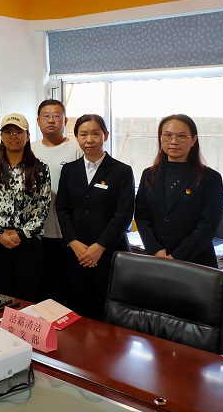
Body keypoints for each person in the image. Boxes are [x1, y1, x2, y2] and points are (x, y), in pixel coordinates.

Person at [56, 114, 135, 320]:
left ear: (105, 135)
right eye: (83, 134)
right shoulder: (69, 170)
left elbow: (124, 214)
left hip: (109, 253)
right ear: (76, 137)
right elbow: (62, 208)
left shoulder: (122, 171)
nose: (89, 140)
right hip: (77, 253)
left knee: (107, 310)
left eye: (95, 134)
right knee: (78, 307)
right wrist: (73, 242)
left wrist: (99, 247)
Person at [0, 113, 51, 301]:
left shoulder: (40, 168)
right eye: (8, 132)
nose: (13, 137)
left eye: (18, 132)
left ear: (27, 136)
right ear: (1, 136)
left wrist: (21, 234)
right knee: (1, 295)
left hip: (28, 242)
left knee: (27, 296)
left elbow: (42, 208)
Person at [134, 113, 223, 268]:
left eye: (181, 136)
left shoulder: (210, 177)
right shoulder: (149, 174)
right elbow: (141, 216)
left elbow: (208, 225)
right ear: (160, 138)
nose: (174, 141)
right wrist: (155, 250)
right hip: (157, 259)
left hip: (196, 263)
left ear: (193, 140)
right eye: (167, 135)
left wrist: (177, 256)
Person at [31, 99, 83, 302]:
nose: (51, 120)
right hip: (37, 232)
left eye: (57, 116)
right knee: (41, 288)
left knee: (66, 290)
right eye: (46, 116)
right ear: (38, 121)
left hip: (68, 234)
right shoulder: (30, 149)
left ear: (65, 120)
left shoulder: (76, 150)